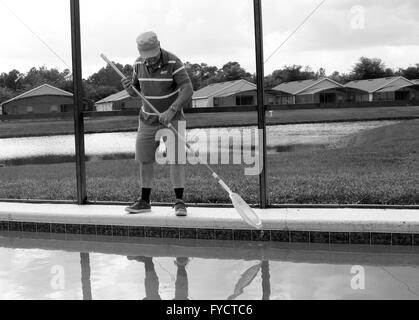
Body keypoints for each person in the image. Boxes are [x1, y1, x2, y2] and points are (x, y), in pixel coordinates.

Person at [122, 31, 193, 216]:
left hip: (172, 118)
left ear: (159, 45)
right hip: (147, 119)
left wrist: (172, 110)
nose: (150, 60)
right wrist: (129, 89)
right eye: (146, 56)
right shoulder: (138, 63)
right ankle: (145, 201)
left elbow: (187, 89)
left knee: (176, 160)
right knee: (145, 160)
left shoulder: (173, 62)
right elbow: (135, 92)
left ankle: (179, 202)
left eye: (153, 56)